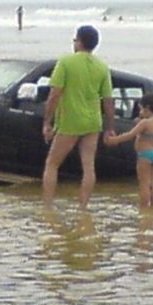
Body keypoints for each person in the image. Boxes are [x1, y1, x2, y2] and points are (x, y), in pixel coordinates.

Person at [42, 25, 115, 210]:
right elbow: (108, 101)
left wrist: (47, 121)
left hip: (70, 121)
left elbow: (55, 94)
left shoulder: (66, 62)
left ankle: (48, 206)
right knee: (88, 167)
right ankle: (83, 208)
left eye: (75, 39)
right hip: (93, 122)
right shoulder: (102, 67)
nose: (74, 43)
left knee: (52, 164)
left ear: (80, 41)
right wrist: (110, 128)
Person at [104, 93, 153, 208]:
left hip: (145, 155)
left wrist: (114, 140)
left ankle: (144, 208)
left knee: (144, 184)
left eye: (141, 109)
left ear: (147, 108)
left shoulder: (144, 123)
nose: (139, 112)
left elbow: (130, 135)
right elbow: (148, 133)